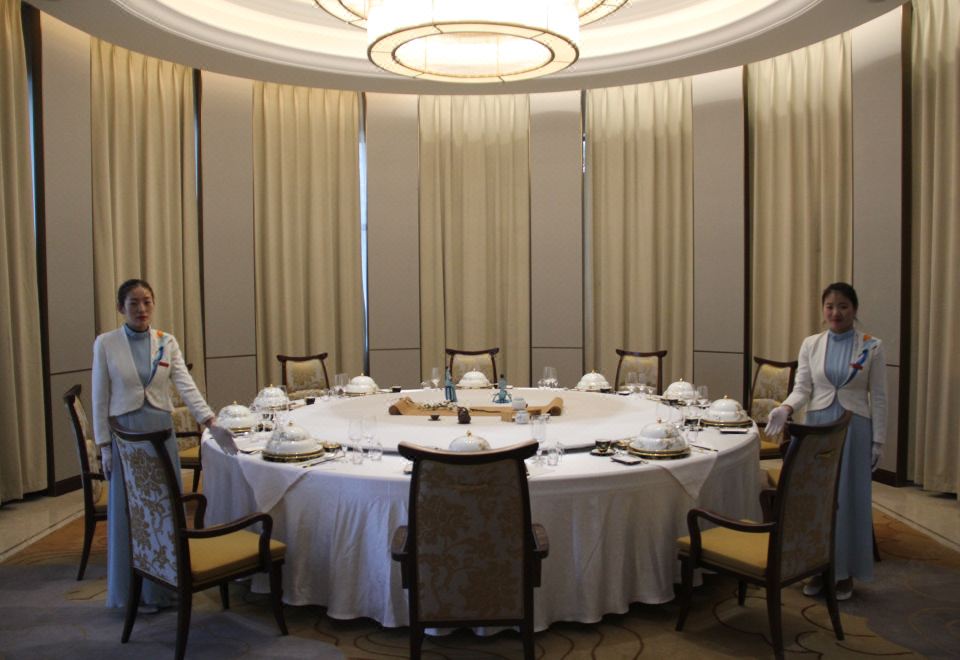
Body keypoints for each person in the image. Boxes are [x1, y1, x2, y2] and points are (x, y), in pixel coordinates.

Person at [92, 278, 237, 609]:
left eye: (147, 302)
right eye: (133, 303)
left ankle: (164, 587)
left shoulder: (165, 341)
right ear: (120, 308)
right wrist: (104, 447)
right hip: (128, 436)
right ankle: (131, 593)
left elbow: (186, 386)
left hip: (160, 431)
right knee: (133, 512)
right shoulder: (106, 344)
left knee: (163, 509)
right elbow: (100, 398)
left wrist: (211, 422)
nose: (141, 309)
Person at [765, 282, 887, 601]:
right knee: (815, 498)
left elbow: (879, 397)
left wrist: (879, 441)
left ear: (854, 310)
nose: (836, 312)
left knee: (848, 500)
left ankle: (844, 572)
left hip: (854, 429)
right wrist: (786, 408)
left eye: (843, 306)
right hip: (817, 427)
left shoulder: (871, 346)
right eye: (830, 306)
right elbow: (803, 388)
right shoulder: (811, 344)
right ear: (823, 309)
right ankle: (814, 567)